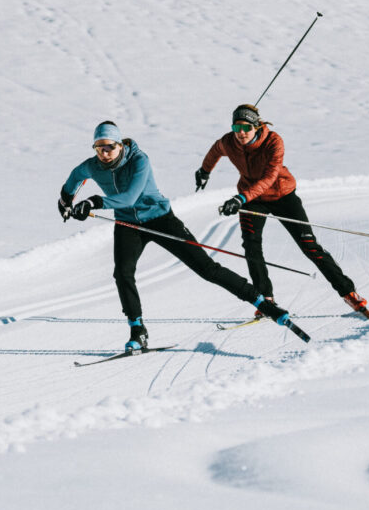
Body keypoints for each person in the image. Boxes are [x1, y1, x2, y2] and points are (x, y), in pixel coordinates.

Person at [58, 121, 292, 351]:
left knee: (206, 269)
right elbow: (74, 178)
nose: (105, 153)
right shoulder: (92, 166)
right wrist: (65, 201)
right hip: (127, 224)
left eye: (109, 147)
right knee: (122, 273)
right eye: (99, 148)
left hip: (160, 219)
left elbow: (129, 198)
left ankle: (262, 302)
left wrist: (94, 202)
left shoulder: (139, 160)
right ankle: (137, 330)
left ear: (120, 145)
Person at [195, 104, 369, 316]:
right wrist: (204, 171)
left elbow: (269, 178)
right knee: (251, 246)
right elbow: (215, 151)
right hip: (252, 199)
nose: (240, 134)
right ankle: (265, 298)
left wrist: (240, 198)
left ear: (256, 126)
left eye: (246, 128)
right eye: (236, 128)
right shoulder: (228, 142)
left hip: (282, 196)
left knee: (309, 246)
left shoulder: (273, 141)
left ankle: (348, 293)